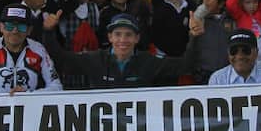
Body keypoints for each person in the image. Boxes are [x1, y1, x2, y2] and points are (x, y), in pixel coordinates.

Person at [43, 11, 204, 89]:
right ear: (110, 37)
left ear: (137, 39)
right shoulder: (95, 59)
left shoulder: (148, 61)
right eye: (118, 34)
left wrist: (194, 37)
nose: (122, 40)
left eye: (128, 35)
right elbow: (62, 61)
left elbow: (185, 66)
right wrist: (49, 31)